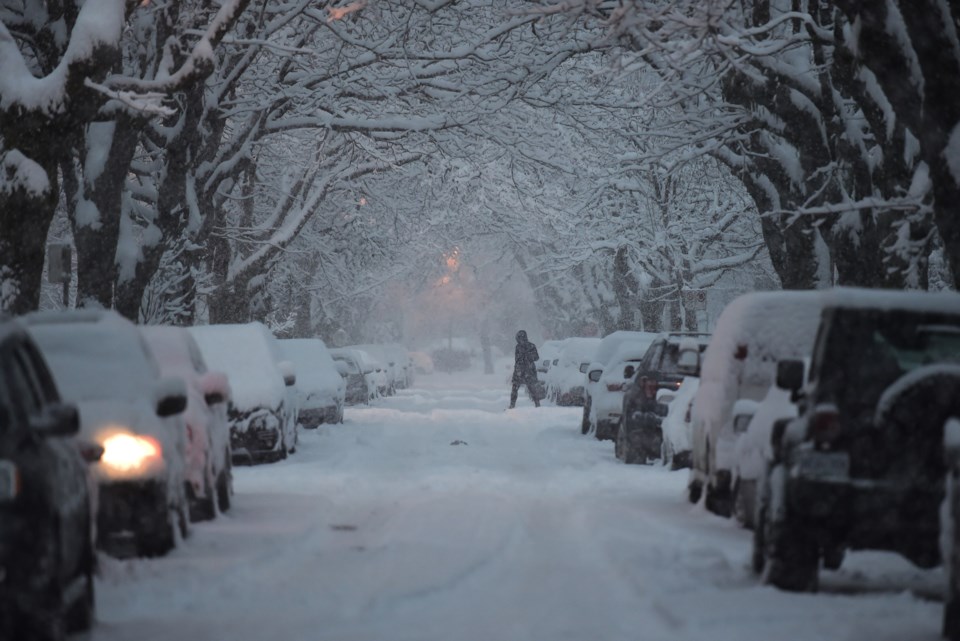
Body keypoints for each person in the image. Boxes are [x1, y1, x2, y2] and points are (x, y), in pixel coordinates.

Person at [509, 330, 541, 409]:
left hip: (527, 371)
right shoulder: (519, 347)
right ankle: (512, 405)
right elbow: (517, 359)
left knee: (531, 389)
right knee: (516, 389)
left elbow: (536, 357)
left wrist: (528, 356)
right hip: (522, 371)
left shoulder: (531, 346)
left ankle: (537, 405)